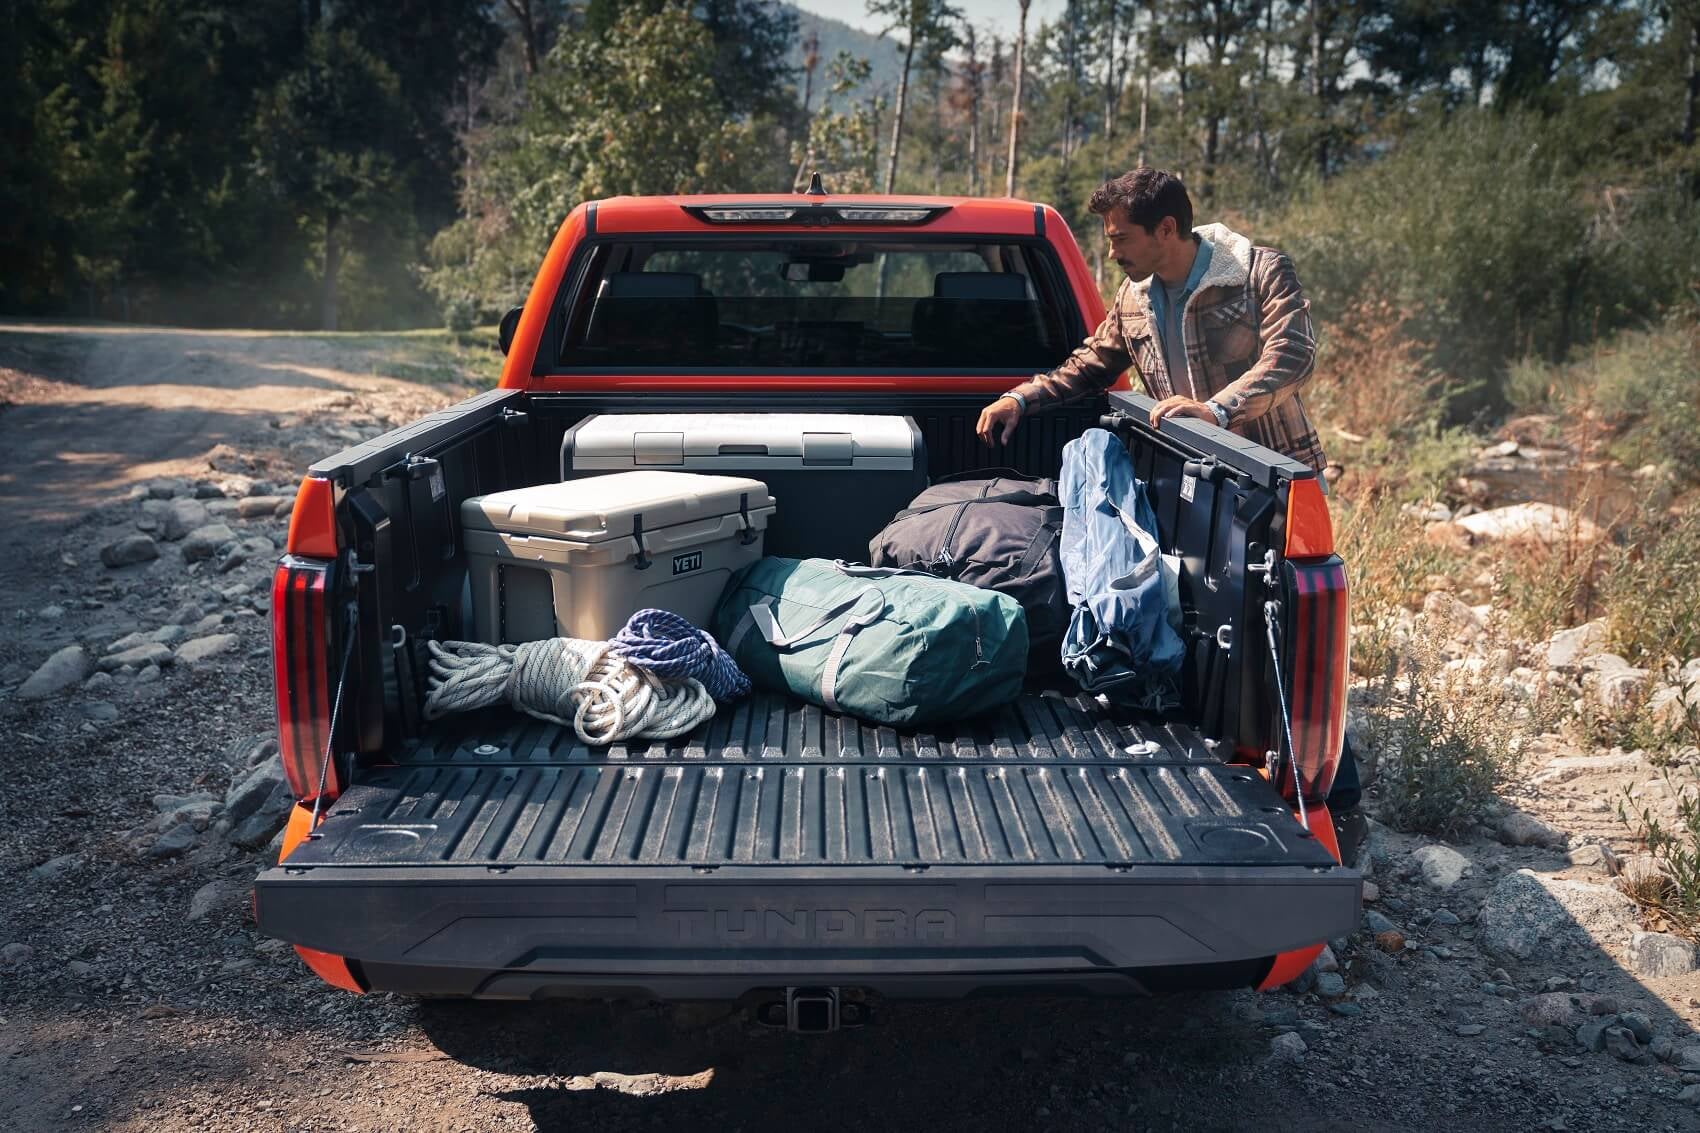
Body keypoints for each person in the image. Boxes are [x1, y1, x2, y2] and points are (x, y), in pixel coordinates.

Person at [977, 167, 1365, 861]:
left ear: (1166, 230)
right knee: (1216, 632)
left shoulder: (1255, 272)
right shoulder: (1133, 297)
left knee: (1295, 645)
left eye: (1121, 237)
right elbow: (1091, 361)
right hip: (1192, 489)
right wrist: (1023, 398)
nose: (1112, 252)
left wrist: (1217, 411)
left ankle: (1338, 805)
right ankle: (1226, 759)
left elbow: (1294, 354)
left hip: (1272, 487)